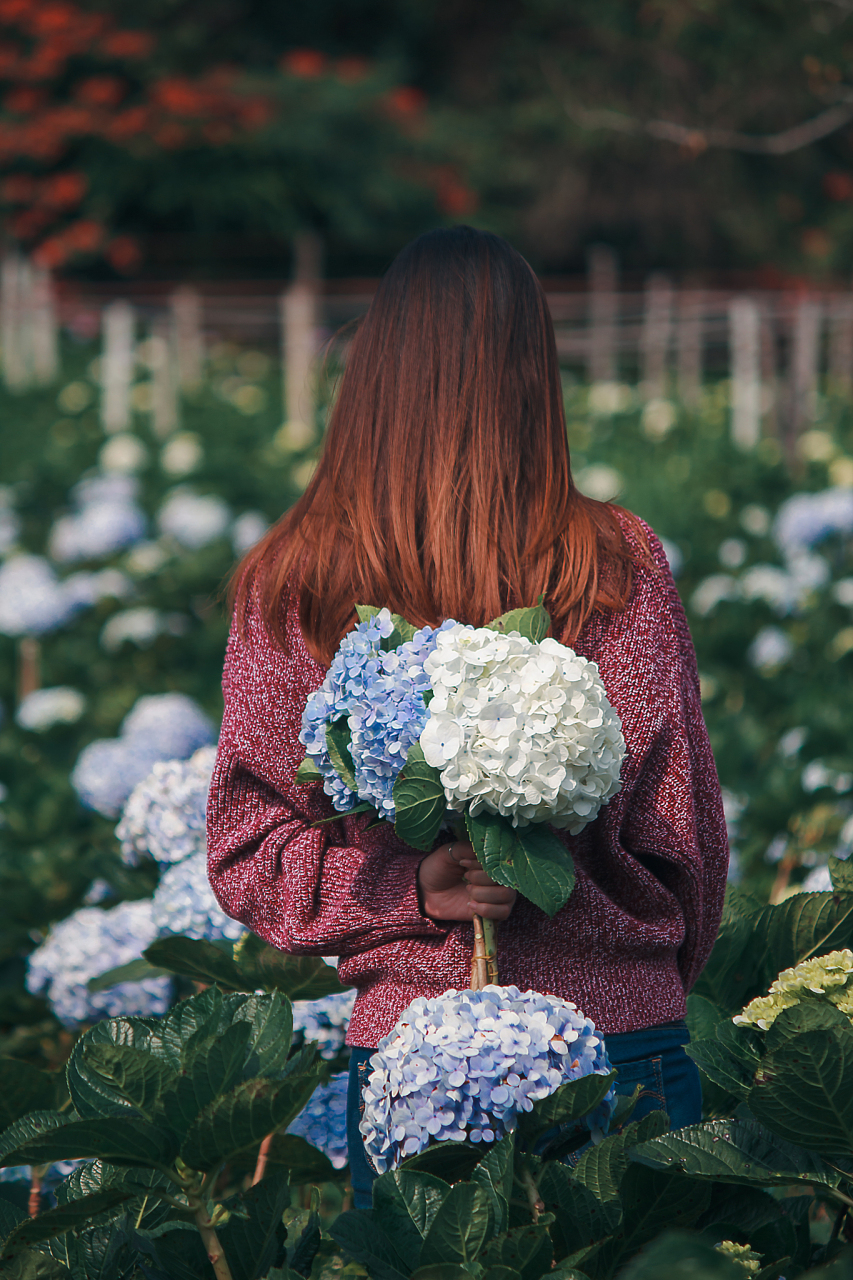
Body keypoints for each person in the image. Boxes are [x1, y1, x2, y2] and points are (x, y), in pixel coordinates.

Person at [207, 226, 729, 1208]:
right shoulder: (614, 561)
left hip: (414, 1063)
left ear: (373, 370)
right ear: (535, 371)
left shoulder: (293, 576)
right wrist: (636, 977)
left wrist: (412, 890)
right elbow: (682, 832)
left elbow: (247, 851)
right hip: (616, 1045)